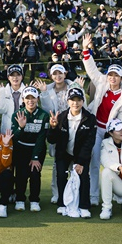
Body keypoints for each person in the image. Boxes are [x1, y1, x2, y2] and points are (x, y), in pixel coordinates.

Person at [81, 33, 122, 206]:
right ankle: (93, 197)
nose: (112, 78)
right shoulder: (102, 83)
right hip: (96, 129)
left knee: (117, 163)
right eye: (110, 75)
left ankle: (118, 193)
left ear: (121, 78)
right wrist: (85, 50)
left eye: (116, 76)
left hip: (112, 133)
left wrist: (118, 135)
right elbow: (91, 69)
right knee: (95, 162)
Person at [47, 86, 96, 218]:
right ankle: (62, 204)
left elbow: (88, 143)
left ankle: (84, 206)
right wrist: (53, 127)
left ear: (82, 101)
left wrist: (80, 162)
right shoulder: (61, 117)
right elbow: (52, 140)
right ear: (68, 102)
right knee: (61, 176)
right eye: (72, 100)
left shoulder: (90, 118)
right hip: (64, 153)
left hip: (81, 154)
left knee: (84, 176)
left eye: (79, 100)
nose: (75, 103)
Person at [11, 86, 49, 212]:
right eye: (28, 98)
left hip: (37, 149)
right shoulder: (17, 114)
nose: (30, 101)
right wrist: (21, 127)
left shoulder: (44, 115)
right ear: (23, 99)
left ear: (37, 98)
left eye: (33, 98)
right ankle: (20, 199)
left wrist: (35, 157)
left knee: (35, 174)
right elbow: (14, 138)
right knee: (21, 175)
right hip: (20, 148)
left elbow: (41, 137)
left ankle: (34, 200)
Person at [0, 64, 26, 133]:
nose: (15, 78)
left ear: (22, 77)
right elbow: (0, 110)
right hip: (7, 130)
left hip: (24, 129)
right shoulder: (3, 91)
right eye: (12, 75)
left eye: (18, 75)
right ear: (8, 77)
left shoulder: (27, 91)